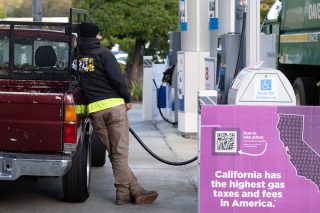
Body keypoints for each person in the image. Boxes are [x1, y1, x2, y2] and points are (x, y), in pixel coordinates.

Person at [76, 22, 158, 205]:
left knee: (114, 153)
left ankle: (136, 190)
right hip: (114, 108)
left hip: (95, 112)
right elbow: (117, 79)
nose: (101, 37)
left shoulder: (77, 58)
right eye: (99, 34)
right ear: (94, 36)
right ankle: (122, 193)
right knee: (119, 153)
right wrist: (127, 98)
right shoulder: (104, 54)